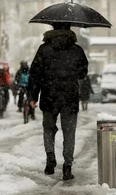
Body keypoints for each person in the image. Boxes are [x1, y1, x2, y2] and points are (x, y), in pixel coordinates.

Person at [28, 22, 88, 181]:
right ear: (70, 29)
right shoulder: (77, 50)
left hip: (49, 96)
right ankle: (67, 166)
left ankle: (50, 158)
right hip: (70, 98)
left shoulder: (44, 49)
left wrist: (33, 96)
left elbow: (35, 74)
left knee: (48, 128)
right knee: (69, 132)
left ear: (52, 28)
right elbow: (83, 73)